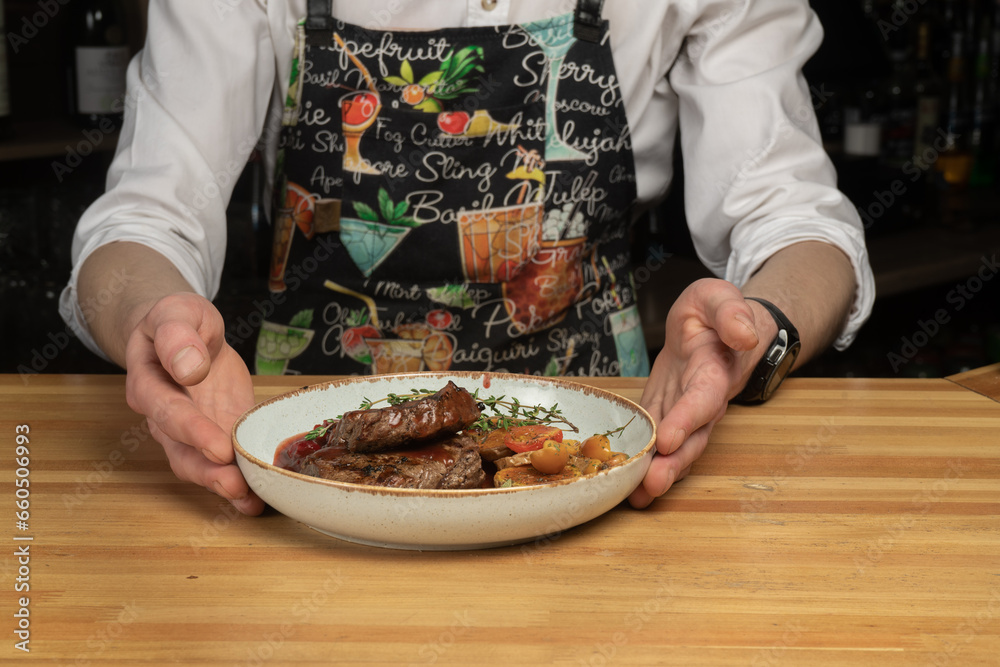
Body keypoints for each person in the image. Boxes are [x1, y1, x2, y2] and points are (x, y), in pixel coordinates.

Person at [60, 0, 874, 516]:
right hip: (300, 465)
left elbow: (795, 219)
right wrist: (152, 319)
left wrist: (755, 329)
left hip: (599, 458)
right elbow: (145, 218)